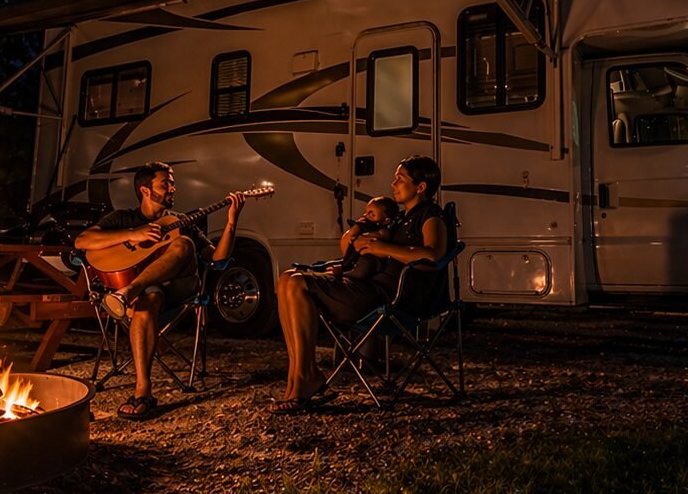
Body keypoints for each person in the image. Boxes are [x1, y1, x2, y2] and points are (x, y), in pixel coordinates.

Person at [273, 155, 446, 414]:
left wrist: (382, 248)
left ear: (421, 187)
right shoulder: (398, 219)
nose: (393, 184)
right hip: (366, 287)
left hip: (387, 297)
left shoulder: (431, 215)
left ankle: (306, 378)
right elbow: (355, 249)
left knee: (297, 283)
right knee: (287, 279)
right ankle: (298, 378)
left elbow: (434, 254)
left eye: (400, 179)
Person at [74, 162, 246, 420]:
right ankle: (143, 392)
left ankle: (128, 292)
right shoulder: (123, 219)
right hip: (150, 293)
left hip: (179, 288)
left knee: (184, 243)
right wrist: (132, 234)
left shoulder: (181, 221)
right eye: (165, 183)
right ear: (145, 190)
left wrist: (232, 222)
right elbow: (82, 241)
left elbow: (217, 260)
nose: (172, 188)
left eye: (172, 183)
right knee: (147, 302)